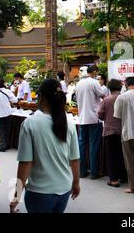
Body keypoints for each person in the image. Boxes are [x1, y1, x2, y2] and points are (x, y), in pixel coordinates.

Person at [10, 79, 80, 213]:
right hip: (64, 190)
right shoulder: (69, 124)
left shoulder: (30, 124)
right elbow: (75, 159)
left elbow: (25, 163)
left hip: (39, 192)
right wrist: (76, 183)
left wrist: (17, 196)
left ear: (41, 97)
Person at [114, 76, 134, 194]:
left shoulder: (121, 98)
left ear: (126, 85)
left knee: (130, 162)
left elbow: (117, 116)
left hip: (128, 132)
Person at [75, 65, 105, 179]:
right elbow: (103, 96)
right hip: (93, 118)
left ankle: (82, 171)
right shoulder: (94, 82)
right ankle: (94, 172)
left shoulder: (79, 84)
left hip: (82, 118)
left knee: (82, 146)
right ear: (94, 72)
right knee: (94, 145)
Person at [98, 79, 127, 187]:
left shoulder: (106, 100)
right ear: (121, 87)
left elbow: (100, 115)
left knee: (111, 155)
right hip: (123, 130)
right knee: (122, 155)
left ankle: (114, 180)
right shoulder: (124, 98)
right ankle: (123, 177)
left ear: (109, 88)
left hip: (109, 130)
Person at [0, 79, 18, 152]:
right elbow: (14, 100)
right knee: (7, 129)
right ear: (3, 83)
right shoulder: (7, 91)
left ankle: (3, 145)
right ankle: (6, 145)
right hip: (7, 113)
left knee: (1, 129)